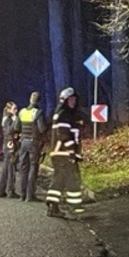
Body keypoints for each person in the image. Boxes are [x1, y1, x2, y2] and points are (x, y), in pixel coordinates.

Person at [45, 87, 85, 218]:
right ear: (65, 100)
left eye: (74, 99)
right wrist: (72, 151)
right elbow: (63, 135)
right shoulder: (64, 115)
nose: (73, 102)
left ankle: (53, 205)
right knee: (72, 180)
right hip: (63, 154)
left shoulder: (66, 114)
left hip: (62, 153)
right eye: (71, 99)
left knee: (60, 179)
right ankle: (75, 208)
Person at [14, 91, 48, 202]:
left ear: (30, 99)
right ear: (39, 101)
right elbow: (42, 128)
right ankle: (30, 195)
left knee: (23, 167)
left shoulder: (22, 112)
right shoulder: (38, 113)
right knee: (33, 167)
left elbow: (16, 127)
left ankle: (22, 194)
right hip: (34, 143)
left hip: (23, 142)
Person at [0, 101, 20, 198]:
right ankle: (10, 190)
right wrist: (15, 120)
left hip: (8, 145)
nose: (16, 111)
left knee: (6, 168)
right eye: (14, 109)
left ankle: (1, 190)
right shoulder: (8, 119)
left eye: (16, 109)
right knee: (11, 169)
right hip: (10, 145)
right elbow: (11, 130)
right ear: (9, 109)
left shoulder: (6, 118)